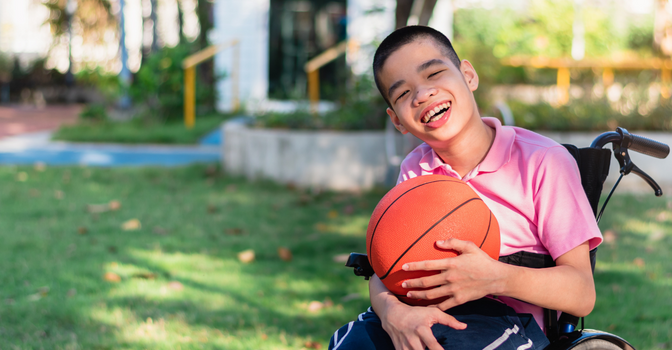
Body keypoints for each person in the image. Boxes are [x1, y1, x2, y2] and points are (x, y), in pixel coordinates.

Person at [328, 26, 603, 350]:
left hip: (507, 328)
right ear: (397, 120)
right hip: (423, 315)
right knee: (352, 341)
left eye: (434, 73)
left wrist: (494, 277)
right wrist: (393, 314)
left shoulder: (543, 162)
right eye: (403, 93)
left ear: (468, 75)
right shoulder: (415, 171)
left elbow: (582, 293)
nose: (422, 94)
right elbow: (385, 271)